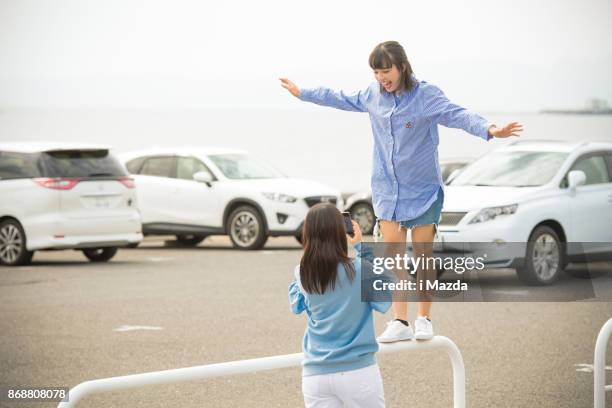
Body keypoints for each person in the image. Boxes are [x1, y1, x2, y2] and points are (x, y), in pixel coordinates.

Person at [281, 41, 523, 343]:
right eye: (376, 72)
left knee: (422, 256)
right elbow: (339, 97)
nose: (382, 78)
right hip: (386, 190)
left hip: (422, 191)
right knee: (393, 257)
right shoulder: (372, 96)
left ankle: (424, 318)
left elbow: (457, 114)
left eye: (386, 71)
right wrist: (303, 92)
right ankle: (400, 321)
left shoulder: (425, 96)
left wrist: (490, 129)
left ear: (402, 67)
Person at [289, 203, 391, 408]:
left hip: (316, 375)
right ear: (340, 232)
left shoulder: (302, 273)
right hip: (358, 372)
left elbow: (296, 306)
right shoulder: (360, 269)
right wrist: (362, 248)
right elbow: (385, 298)